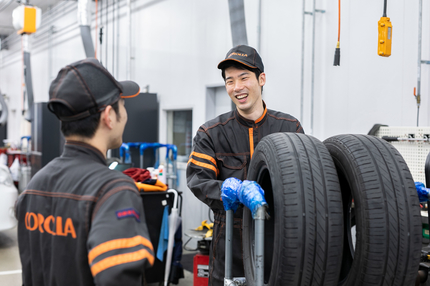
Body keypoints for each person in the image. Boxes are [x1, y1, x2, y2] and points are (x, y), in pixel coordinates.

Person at [15, 58, 154, 286]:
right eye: (123, 106)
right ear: (108, 116)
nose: (126, 115)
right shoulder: (114, 191)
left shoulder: (33, 187)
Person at [186, 45, 304, 285]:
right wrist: (231, 190)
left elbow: (308, 179)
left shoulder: (290, 128)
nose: (237, 87)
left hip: (280, 239)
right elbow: (198, 180)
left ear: (261, 79)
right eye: (230, 81)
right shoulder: (211, 133)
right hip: (230, 243)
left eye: (243, 78)